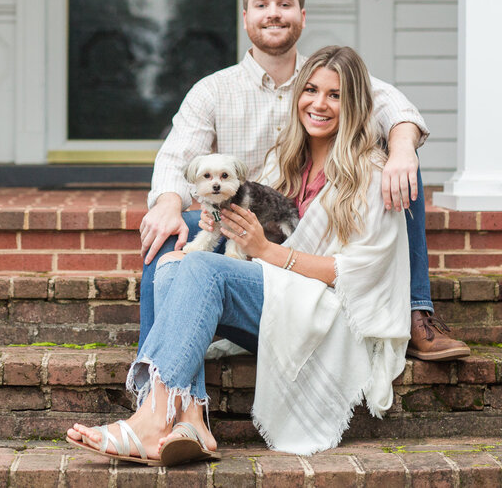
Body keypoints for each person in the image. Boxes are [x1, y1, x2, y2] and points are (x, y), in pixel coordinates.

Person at [67, 46, 410, 462]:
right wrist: (217, 223)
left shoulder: (373, 173)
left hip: (326, 313)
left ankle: (152, 419)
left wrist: (263, 249)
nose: (319, 104)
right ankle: (191, 420)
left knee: (201, 269)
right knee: (172, 265)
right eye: (312, 90)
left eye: (335, 95)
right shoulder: (283, 163)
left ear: (354, 103)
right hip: (278, 298)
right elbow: (237, 221)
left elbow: (357, 273)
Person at [139, 0, 468, 361]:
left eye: (285, 4)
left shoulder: (324, 75)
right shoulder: (213, 90)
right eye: (261, 4)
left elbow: (394, 107)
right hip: (240, 219)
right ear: (245, 17)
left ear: (302, 16)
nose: (273, 13)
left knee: (403, 166)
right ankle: (154, 370)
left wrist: (402, 150)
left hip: (306, 223)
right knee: (169, 238)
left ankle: (415, 312)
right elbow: (178, 154)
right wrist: (168, 204)